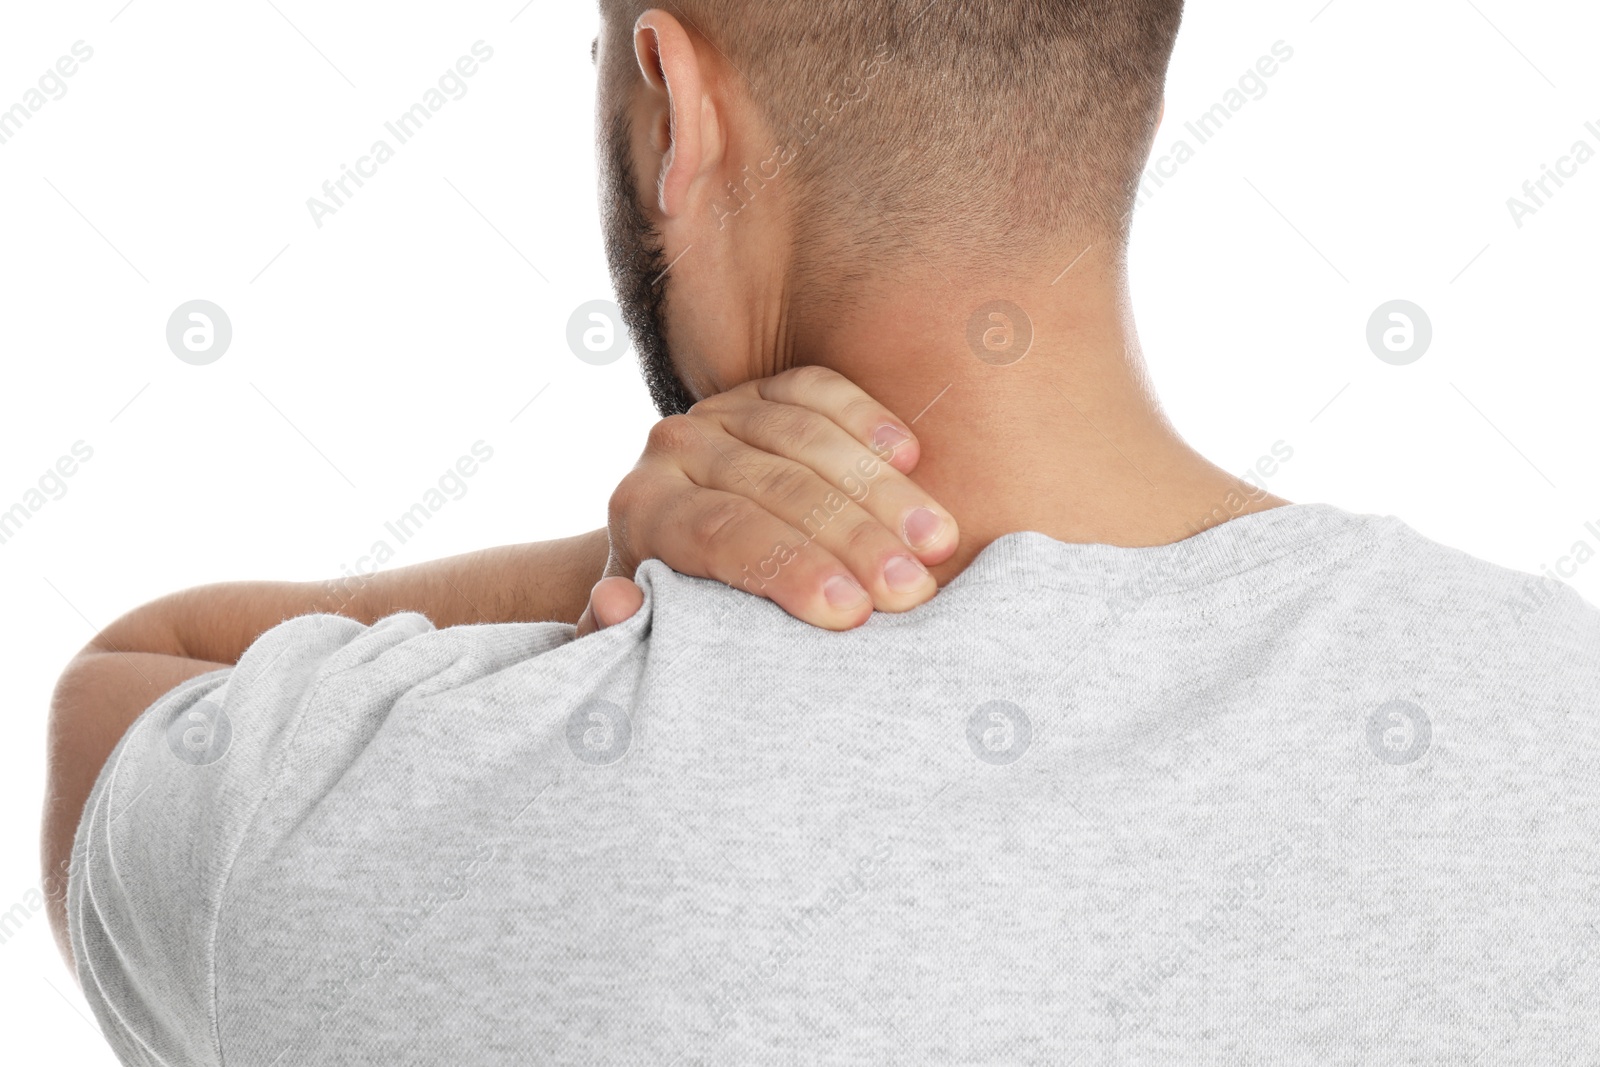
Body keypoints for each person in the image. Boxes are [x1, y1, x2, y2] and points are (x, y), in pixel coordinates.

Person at [44, 1, 1600, 1063]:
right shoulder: (1562, 718)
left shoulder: (371, 801)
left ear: (677, 106)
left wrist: (618, 564)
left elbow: (127, 679)